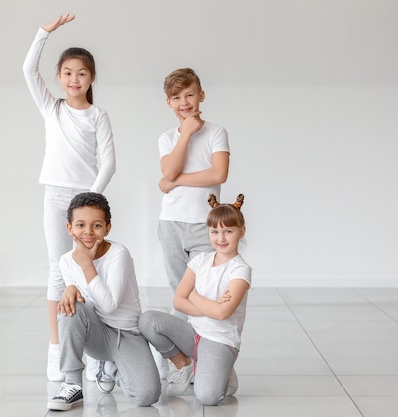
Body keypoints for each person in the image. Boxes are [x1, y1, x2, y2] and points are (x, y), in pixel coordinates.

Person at [22, 13, 116, 382]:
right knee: (57, 269)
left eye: (81, 73)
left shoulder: (98, 115)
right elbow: (29, 71)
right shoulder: (53, 108)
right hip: (55, 195)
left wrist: (90, 199)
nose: (74, 79)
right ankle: (57, 347)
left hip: (87, 201)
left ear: (91, 78)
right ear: (60, 77)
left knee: (89, 270)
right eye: (67, 73)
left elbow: (109, 161)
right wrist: (43, 33)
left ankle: (92, 348)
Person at [47, 192, 161, 411]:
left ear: (107, 228)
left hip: (127, 335)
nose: (88, 232)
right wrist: (70, 288)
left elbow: (109, 305)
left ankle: (109, 368)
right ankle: (72, 384)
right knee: (70, 307)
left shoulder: (119, 254)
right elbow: (81, 300)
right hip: (95, 334)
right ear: (69, 228)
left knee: (147, 395)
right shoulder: (66, 261)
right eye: (80, 224)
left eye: (97, 225)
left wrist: (87, 265)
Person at [139, 194, 251, 406]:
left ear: (241, 231)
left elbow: (222, 314)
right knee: (148, 320)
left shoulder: (240, 269)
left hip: (220, 340)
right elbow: (178, 302)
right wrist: (211, 303)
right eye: (215, 231)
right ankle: (184, 363)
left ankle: (224, 371)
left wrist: (192, 295)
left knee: (208, 397)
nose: (221, 238)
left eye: (228, 231)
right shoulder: (200, 260)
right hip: (193, 333)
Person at [157, 67, 230, 298]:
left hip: (203, 223)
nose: (184, 102)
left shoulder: (216, 132)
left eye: (189, 94)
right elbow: (169, 171)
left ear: (201, 95)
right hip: (171, 223)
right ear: (169, 103)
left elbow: (219, 174)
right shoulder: (167, 138)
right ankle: (183, 335)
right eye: (176, 97)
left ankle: (204, 334)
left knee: (206, 288)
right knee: (179, 290)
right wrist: (186, 133)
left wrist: (175, 182)